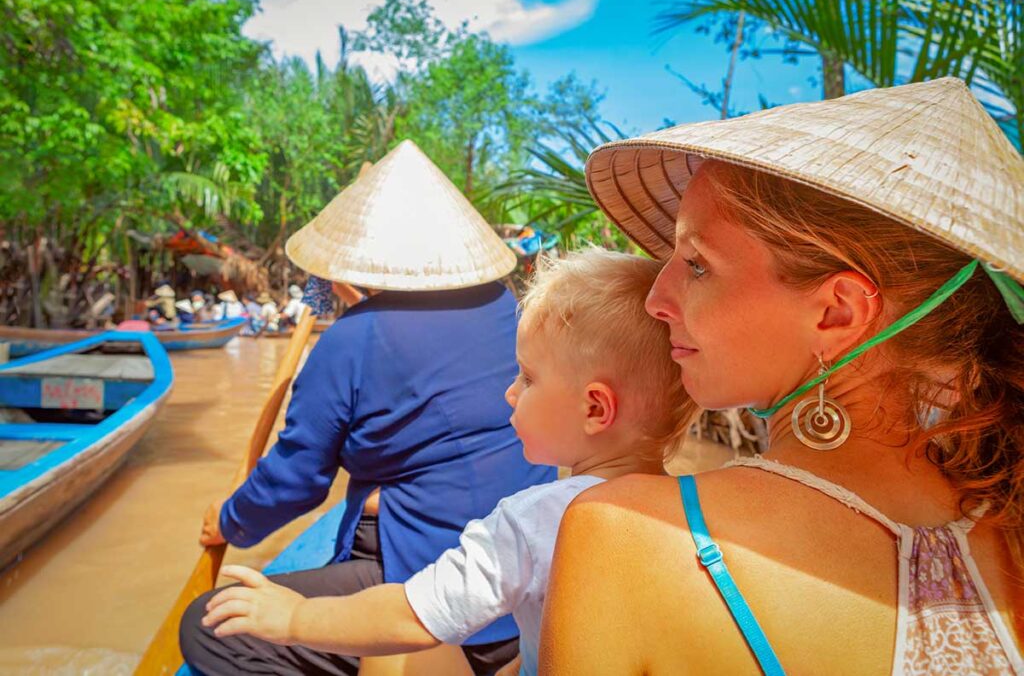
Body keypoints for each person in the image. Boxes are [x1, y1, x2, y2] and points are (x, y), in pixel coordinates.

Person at [540, 78, 1024, 674]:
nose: (656, 299)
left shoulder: (630, 535)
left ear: (837, 312)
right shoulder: (1009, 532)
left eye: (697, 264)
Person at [198, 250, 699, 676]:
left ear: (594, 409)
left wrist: (292, 618)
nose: (509, 392)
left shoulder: (534, 522)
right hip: (506, 632)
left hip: (428, 588)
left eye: (526, 378)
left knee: (208, 626)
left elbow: (410, 616)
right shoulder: (696, 506)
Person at [180, 140, 556, 675]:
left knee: (209, 627)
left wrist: (228, 521)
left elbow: (296, 482)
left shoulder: (352, 340)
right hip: (520, 575)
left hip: (431, 591)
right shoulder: (505, 305)